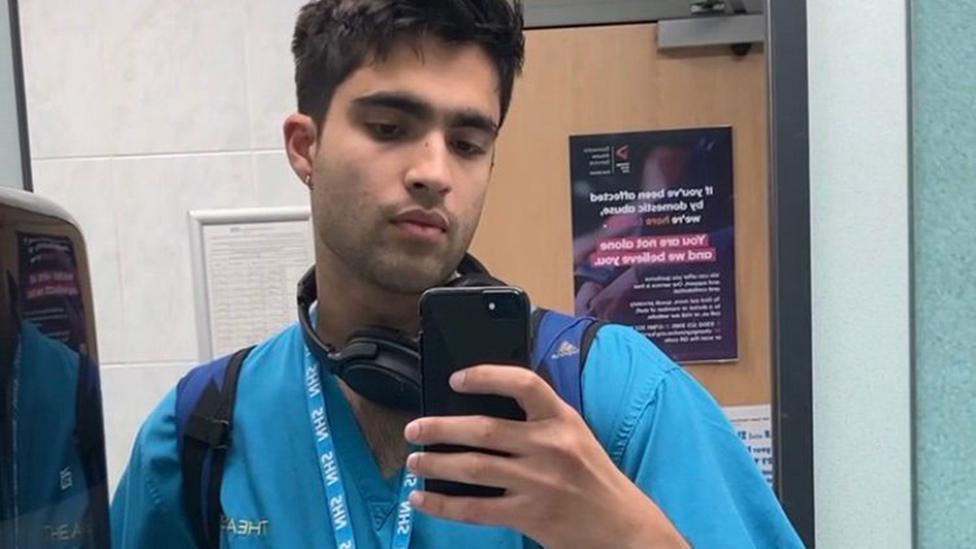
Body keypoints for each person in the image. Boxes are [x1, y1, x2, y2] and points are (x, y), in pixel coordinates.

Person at [110, 1, 803, 548]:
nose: (434, 172)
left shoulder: (616, 401)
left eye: (468, 144)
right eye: (388, 127)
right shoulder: (200, 434)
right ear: (305, 146)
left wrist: (630, 538)